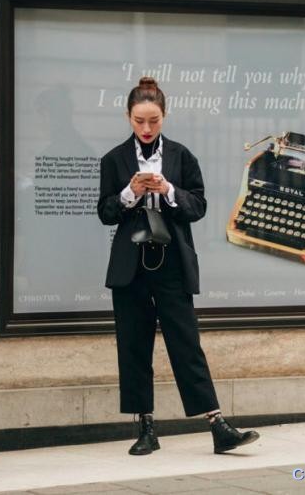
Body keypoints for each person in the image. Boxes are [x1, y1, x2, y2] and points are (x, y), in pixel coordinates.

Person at [97, 76, 260, 455]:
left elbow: (199, 206)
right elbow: (105, 212)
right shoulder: (114, 159)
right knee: (134, 347)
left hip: (171, 263)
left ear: (164, 116)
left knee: (186, 345)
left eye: (153, 120)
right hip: (130, 266)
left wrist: (169, 190)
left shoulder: (182, 156)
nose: (147, 128)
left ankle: (217, 425)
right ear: (128, 117)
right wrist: (129, 193)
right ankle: (146, 429)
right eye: (139, 121)